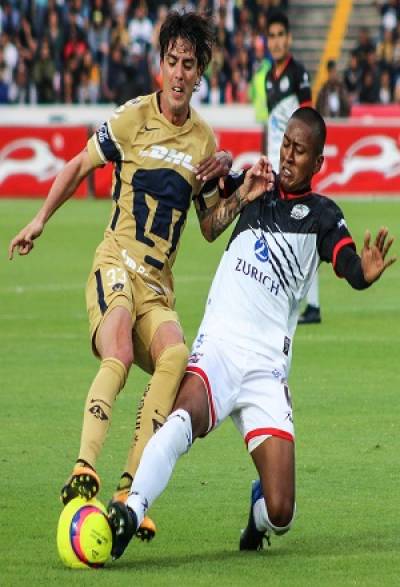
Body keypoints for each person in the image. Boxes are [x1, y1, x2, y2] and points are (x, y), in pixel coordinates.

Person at [107, 107, 396, 560]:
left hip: (266, 366)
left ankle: (256, 513)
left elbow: (347, 265)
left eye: (300, 151)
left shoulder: (322, 215)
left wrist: (364, 272)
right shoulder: (255, 185)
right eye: (285, 144)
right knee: (182, 420)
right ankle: (131, 509)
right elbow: (203, 191)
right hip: (219, 346)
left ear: (318, 162)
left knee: (282, 513)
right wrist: (222, 167)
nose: (288, 156)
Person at [8, 11, 233, 541]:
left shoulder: (203, 142)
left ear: (199, 74)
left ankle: (130, 492)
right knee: (121, 354)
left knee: (176, 357)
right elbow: (77, 167)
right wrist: (40, 219)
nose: (179, 74)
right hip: (115, 265)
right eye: (172, 62)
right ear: (160, 66)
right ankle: (84, 467)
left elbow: (208, 226)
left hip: (157, 286)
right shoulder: (131, 119)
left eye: (189, 65)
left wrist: (238, 195)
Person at [263, 10, 321, 324]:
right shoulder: (268, 77)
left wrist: (305, 163)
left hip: (295, 166)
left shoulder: (297, 73)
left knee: (303, 231)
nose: (275, 41)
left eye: (280, 35)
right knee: (284, 232)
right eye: (270, 36)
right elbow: (273, 126)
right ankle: (296, 299)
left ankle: (311, 305)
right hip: (276, 163)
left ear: (289, 38)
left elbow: (309, 120)